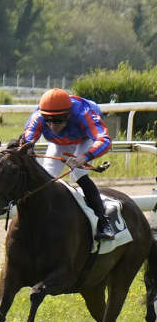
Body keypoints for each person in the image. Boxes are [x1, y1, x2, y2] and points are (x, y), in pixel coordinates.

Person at [21, 88, 116, 288]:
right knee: (47, 180)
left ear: (69, 115)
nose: (54, 126)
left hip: (84, 141)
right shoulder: (38, 117)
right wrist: (24, 149)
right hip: (58, 145)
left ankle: (103, 222)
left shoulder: (83, 113)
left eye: (59, 121)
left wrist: (84, 157)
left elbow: (105, 140)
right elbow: (26, 140)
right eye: (49, 121)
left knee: (78, 174)